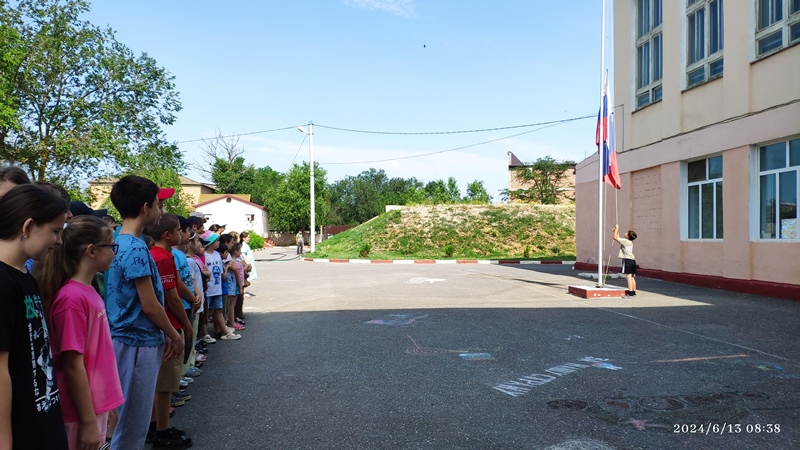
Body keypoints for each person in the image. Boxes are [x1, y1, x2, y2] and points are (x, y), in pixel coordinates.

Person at [105, 175, 183, 450]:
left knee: (125, 419)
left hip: (123, 338)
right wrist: (175, 335)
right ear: (145, 208)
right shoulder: (137, 249)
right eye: (158, 205)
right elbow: (150, 305)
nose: (161, 211)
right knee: (133, 423)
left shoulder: (118, 240)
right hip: (137, 341)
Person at [37, 215, 124, 450]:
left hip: (94, 405)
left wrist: (109, 403)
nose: (114, 253)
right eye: (111, 246)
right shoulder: (72, 299)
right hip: (78, 412)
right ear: (92, 250)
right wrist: (87, 422)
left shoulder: (86, 291)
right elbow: (72, 363)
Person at [0, 184, 70, 449]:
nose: (59, 241)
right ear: (28, 226)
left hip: (43, 422)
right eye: (55, 231)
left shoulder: (24, 277)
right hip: (21, 433)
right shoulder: (3, 283)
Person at [145, 214, 193, 449]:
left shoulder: (163, 255)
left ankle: (155, 425)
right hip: (170, 324)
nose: (181, 233)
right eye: (177, 230)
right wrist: (185, 324)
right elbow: (172, 298)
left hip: (165, 324)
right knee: (165, 385)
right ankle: (162, 430)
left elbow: (176, 285)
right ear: (167, 235)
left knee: (160, 382)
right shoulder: (161, 258)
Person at [202, 232, 240, 341]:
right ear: (210, 243)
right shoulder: (204, 255)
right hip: (208, 289)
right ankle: (204, 334)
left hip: (217, 288)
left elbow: (221, 273)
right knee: (206, 313)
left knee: (218, 310)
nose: (219, 242)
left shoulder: (216, 255)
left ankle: (224, 332)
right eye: (217, 241)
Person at [612, 224, 638, 298]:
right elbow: (618, 237)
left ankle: (630, 294)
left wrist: (617, 228)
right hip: (632, 260)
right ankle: (633, 292)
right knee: (632, 277)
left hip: (628, 261)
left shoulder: (626, 241)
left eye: (627, 233)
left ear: (628, 236)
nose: (625, 233)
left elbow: (615, 238)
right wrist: (616, 231)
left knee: (628, 277)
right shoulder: (629, 242)